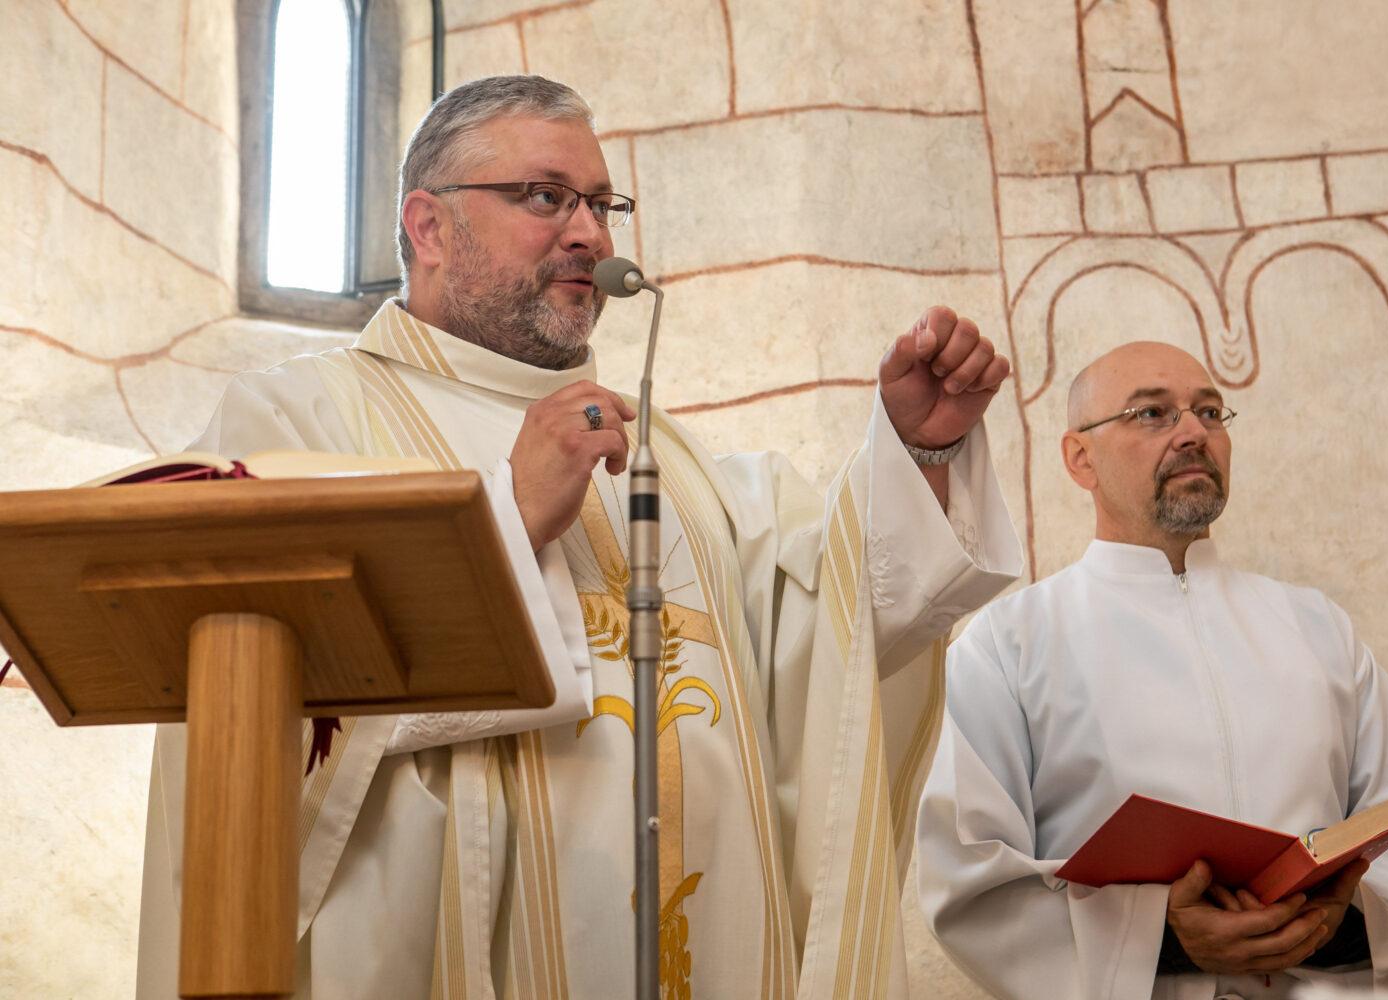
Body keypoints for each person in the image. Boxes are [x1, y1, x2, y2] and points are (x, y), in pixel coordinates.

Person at [135, 75, 1024, 999]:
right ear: (430, 227)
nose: (592, 236)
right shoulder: (297, 421)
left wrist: (925, 450)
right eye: (546, 197)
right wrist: (504, 518)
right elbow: (244, 720)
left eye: (603, 205)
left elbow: (838, 629)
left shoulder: (671, 462)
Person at [916, 341, 1388, 999]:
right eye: (1152, 414)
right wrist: (1166, 940)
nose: (1192, 433)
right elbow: (968, 877)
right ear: (1079, 457)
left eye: (1209, 412)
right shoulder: (1009, 645)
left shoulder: (1317, 628)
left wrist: (1344, 921)